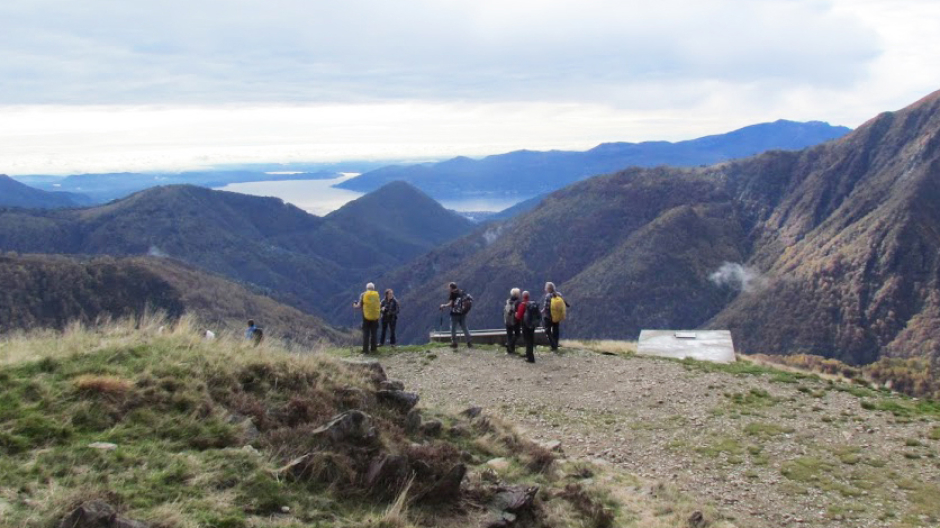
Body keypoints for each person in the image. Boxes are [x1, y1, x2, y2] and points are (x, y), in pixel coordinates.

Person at [439, 282, 472, 349]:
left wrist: (443, 305)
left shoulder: (453, 294)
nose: (448, 289)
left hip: (454, 314)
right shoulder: (461, 292)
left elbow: (451, 304)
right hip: (462, 313)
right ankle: (469, 342)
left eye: (449, 287)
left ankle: (454, 343)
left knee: (453, 329)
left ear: (451, 287)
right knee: (465, 328)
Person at [353, 283, 381, 353]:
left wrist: (354, 305)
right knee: (374, 333)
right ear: (373, 288)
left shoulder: (363, 295)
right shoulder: (376, 295)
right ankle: (373, 349)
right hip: (375, 317)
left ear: (366, 288)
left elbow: (359, 306)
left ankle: (365, 350)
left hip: (366, 317)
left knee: (366, 333)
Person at [540, 282, 568, 351]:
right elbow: (564, 303)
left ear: (548, 289)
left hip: (548, 317)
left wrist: (540, 312)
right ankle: (556, 343)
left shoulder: (548, 296)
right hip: (557, 317)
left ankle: (553, 345)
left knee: (548, 331)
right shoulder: (559, 294)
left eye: (546, 288)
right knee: (556, 331)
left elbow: (546, 307)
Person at [516, 291, 537, 363]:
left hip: (525, 325)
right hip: (532, 325)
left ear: (523, 296)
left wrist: (516, 315)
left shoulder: (522, 305)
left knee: (527, 341)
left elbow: (519, 317)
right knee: (531, 340)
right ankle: (528, 354)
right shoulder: (532, 304)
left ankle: (530, 357)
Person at [504, 288, 522, 355]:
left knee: (509, 335)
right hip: (515, 321)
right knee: (517, 334)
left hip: (507, 320)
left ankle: (510, 350)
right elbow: (519, 312)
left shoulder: (508, 301)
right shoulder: (518, 302)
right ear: (517, 294)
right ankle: (510, 345)